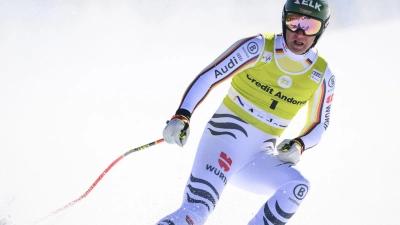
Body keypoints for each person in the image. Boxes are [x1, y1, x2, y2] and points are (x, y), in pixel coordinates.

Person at [157, 0, 335, 224]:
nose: (299, 32)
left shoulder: (322, 75)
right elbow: (209, 76)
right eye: (293, 21)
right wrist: (183, 115)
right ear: (283, 19)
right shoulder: (259, 47)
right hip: (224, 141)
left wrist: (299, 144)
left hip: (258, 157)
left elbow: (319, 124)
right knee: (196, 210)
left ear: (322, 29)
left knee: (297, 186)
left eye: (310, 26)